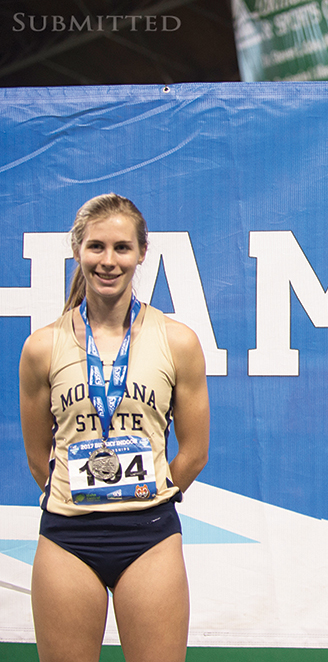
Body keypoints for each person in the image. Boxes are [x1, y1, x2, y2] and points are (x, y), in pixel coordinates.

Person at [19, 193, 210, 662]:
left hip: (149, 535)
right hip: (68, 537)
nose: (109, 261)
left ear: (142, 254)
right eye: (96, 247)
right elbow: (37, 455)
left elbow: (195, 451)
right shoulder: (42, 347)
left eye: (122, 248)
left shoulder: (178, 341)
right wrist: (83, 494)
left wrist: (150, 493)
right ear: (77, 252)